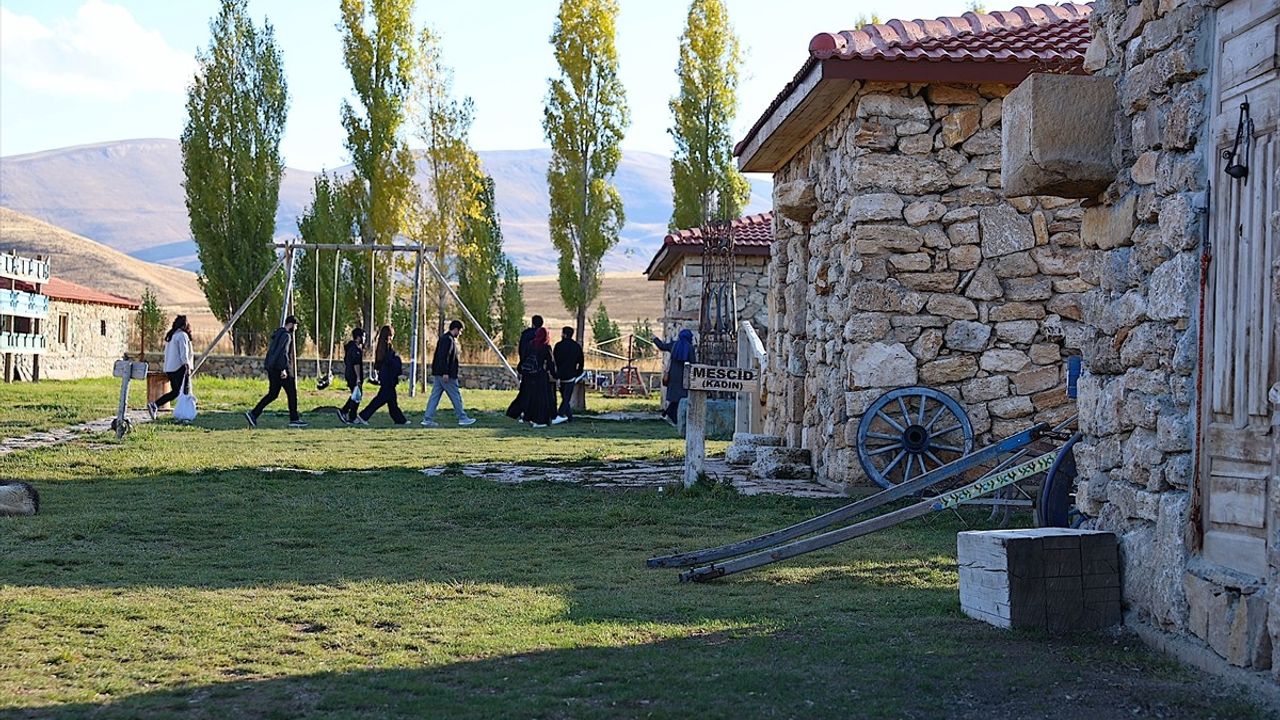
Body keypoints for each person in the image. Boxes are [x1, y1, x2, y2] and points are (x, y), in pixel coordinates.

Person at [246, 315, 306, 428]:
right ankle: (294, 419)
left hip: (272, 368)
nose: (296, 329)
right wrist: (283, 369)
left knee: (273, 394)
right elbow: (282, 353)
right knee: (292, 393)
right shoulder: (287, 336)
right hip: (281, 369)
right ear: (291, 324)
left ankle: (253, 414)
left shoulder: (278, 334)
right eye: (296, 326)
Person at [421, 320, 477, 427]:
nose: (460, 333)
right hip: (446, 375)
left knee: (435, 397)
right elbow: (445, 357)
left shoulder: (444, 339)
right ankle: (462, 417)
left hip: (439, 374)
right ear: (455, 329)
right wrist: (446, 372)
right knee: (455, 396)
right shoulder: (448, 340)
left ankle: (427, 419)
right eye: (460, 331)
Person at [508, 326, 559, 427]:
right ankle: (540, 420)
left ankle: (526, 416)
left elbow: (524, 358)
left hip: (528, 375)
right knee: (541, 399)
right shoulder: (546, 347)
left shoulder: (530, 344)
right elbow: (550, 363)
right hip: (540, 375)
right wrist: (555, 375)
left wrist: (521, 370)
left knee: (528, 397)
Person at [356, 325, 407, 425]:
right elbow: (390, 362)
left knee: (392, 401)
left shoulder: (381, 347)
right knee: (380, 400)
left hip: (385, 376)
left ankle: (400, 420)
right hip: (388, 377)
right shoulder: (388, 348)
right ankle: (363, 416)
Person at [148, 315, 193, 420]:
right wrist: (186, 365)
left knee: (176, 392)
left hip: (170, 368)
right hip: (179, 367)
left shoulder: (172, 335)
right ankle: (184, 413)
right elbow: (184, 352)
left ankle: (155, 405)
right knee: (182, 391)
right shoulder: (182, 335)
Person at [653, 328, 696, 426]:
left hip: (672, 375)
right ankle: (671, 416)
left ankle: (667, 414)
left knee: (675, 398)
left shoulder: (674, 345)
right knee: (681, 398)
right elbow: (693, 362)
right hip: (684, 376)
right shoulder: (690, 347)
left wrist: (655, 339)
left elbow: (662, 346)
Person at [553, 326, 584, 422]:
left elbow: (554, 360)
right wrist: (578, 372)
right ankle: (565, 415)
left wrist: (556, 373)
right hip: (571, 375)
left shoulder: (558, 345)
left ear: (564, 334)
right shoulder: (576, 346)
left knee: (565, 397)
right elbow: (581, 361)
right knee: (566, 397)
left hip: (561, 375)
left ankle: (563, 415)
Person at [336, 327, 365, 424]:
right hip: (353, 375)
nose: (364, 339)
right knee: (357, 395)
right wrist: (358, 378)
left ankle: (347, 412)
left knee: (355, 395)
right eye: (363, 337)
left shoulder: (349, 348)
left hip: (349, 374)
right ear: (358, 337)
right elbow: (356, 364)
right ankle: (349, 414)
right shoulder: (355, 349)